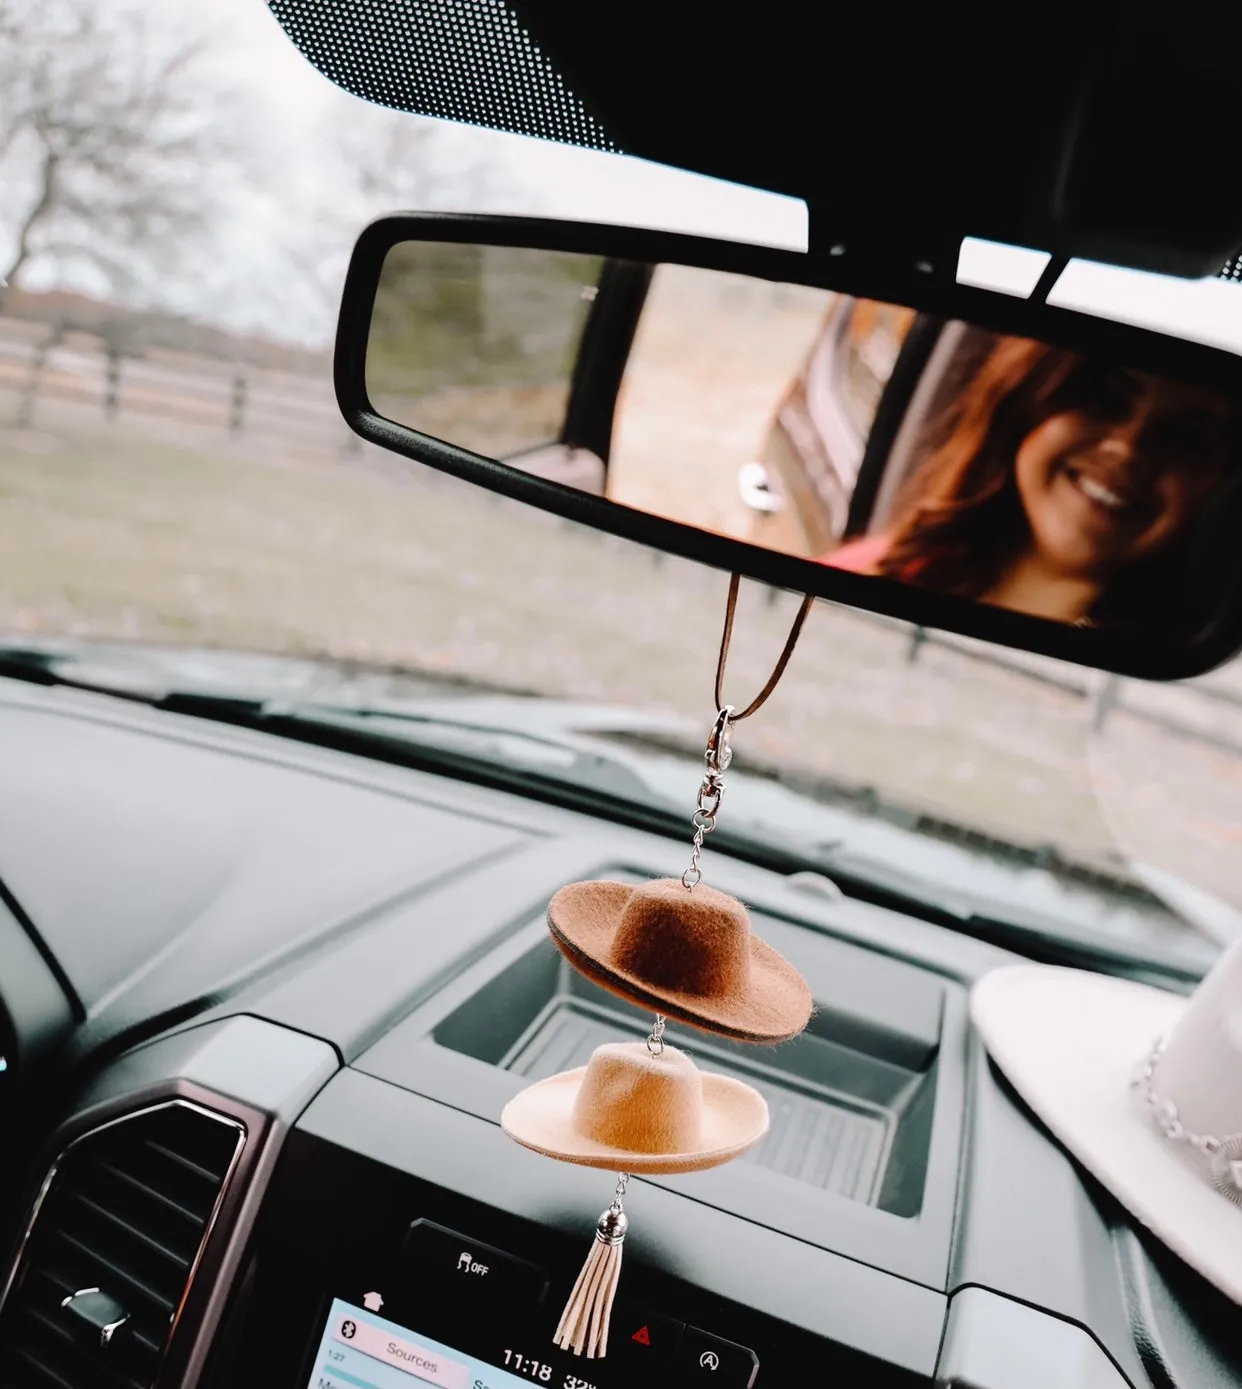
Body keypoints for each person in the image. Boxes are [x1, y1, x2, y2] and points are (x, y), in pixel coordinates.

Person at [824, 334, 1235, 630]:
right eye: (1105, 398)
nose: (1129, 449)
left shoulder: (1172, 667)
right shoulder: (886, 570)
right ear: (1028, 408)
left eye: (1188, 439)